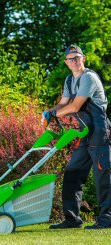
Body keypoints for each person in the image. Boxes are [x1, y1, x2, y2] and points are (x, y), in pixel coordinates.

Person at [41, 44, 111, 229]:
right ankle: (72, 219)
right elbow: (63, 103)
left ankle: (107, 219)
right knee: (72, 173)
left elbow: (75, 106)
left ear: (83, 59)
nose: (74, 61)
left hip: (99, 131)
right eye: (70, 59)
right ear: (66, 62)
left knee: (102, 175)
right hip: (85, 132)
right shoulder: (69, 80)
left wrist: (57, 114)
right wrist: (49, 111)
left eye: (77, 57)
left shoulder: (88, 77)